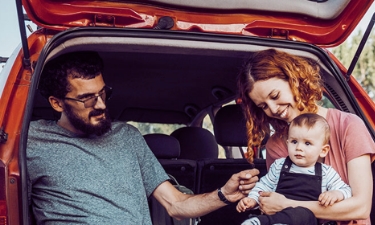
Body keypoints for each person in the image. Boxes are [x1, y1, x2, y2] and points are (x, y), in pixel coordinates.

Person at [27, 51, 259, 224]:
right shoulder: (30, 142)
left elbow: (176, 204)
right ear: (57, 103)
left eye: (103, 93)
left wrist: (224, 195)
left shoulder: (127, 137)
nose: (100, 105)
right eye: (87, 98)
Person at [237, 48, 375, 224]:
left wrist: (288, 205)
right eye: (263, 106)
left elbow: (360, 207)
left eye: (275, 96)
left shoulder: (348, 126)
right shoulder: (277, 145)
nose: (273, 109)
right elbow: (273, 204)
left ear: (294, 80)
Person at [237, 113, 352, 225]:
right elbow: (264, 186)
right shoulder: (279, 165)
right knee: (268, 216)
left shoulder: (326, 173)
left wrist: (336, 194)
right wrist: (253, 199)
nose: (299, 148)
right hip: (276, 215)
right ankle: (257, 222)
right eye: (294, 141)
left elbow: (346, 190)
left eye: (307, 143)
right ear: (288, 143)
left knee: (303, 213)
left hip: (305, 220)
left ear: (323, 150)